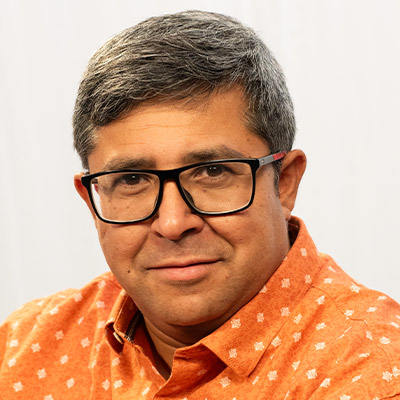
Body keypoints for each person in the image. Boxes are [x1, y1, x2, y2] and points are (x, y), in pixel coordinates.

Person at [1, 10, 399, 400]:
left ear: (285, 184)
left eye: (211, 172)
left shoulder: (377, 375)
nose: (173, 223)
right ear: (92, 200)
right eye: (133, 180)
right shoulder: (20, 349)